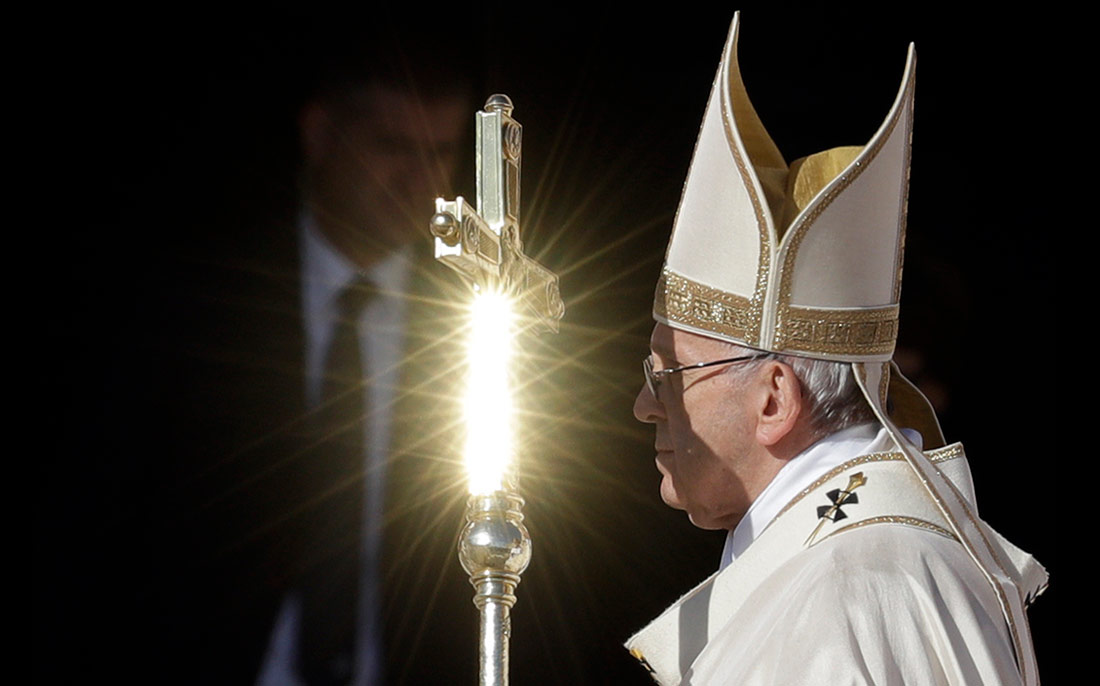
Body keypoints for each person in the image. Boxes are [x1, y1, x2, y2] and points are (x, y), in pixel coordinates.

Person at [624, 13, 1046, 685]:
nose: (644, 405)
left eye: (667, 373)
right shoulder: (865, 563)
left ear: (774, 399)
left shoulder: (848, 592)